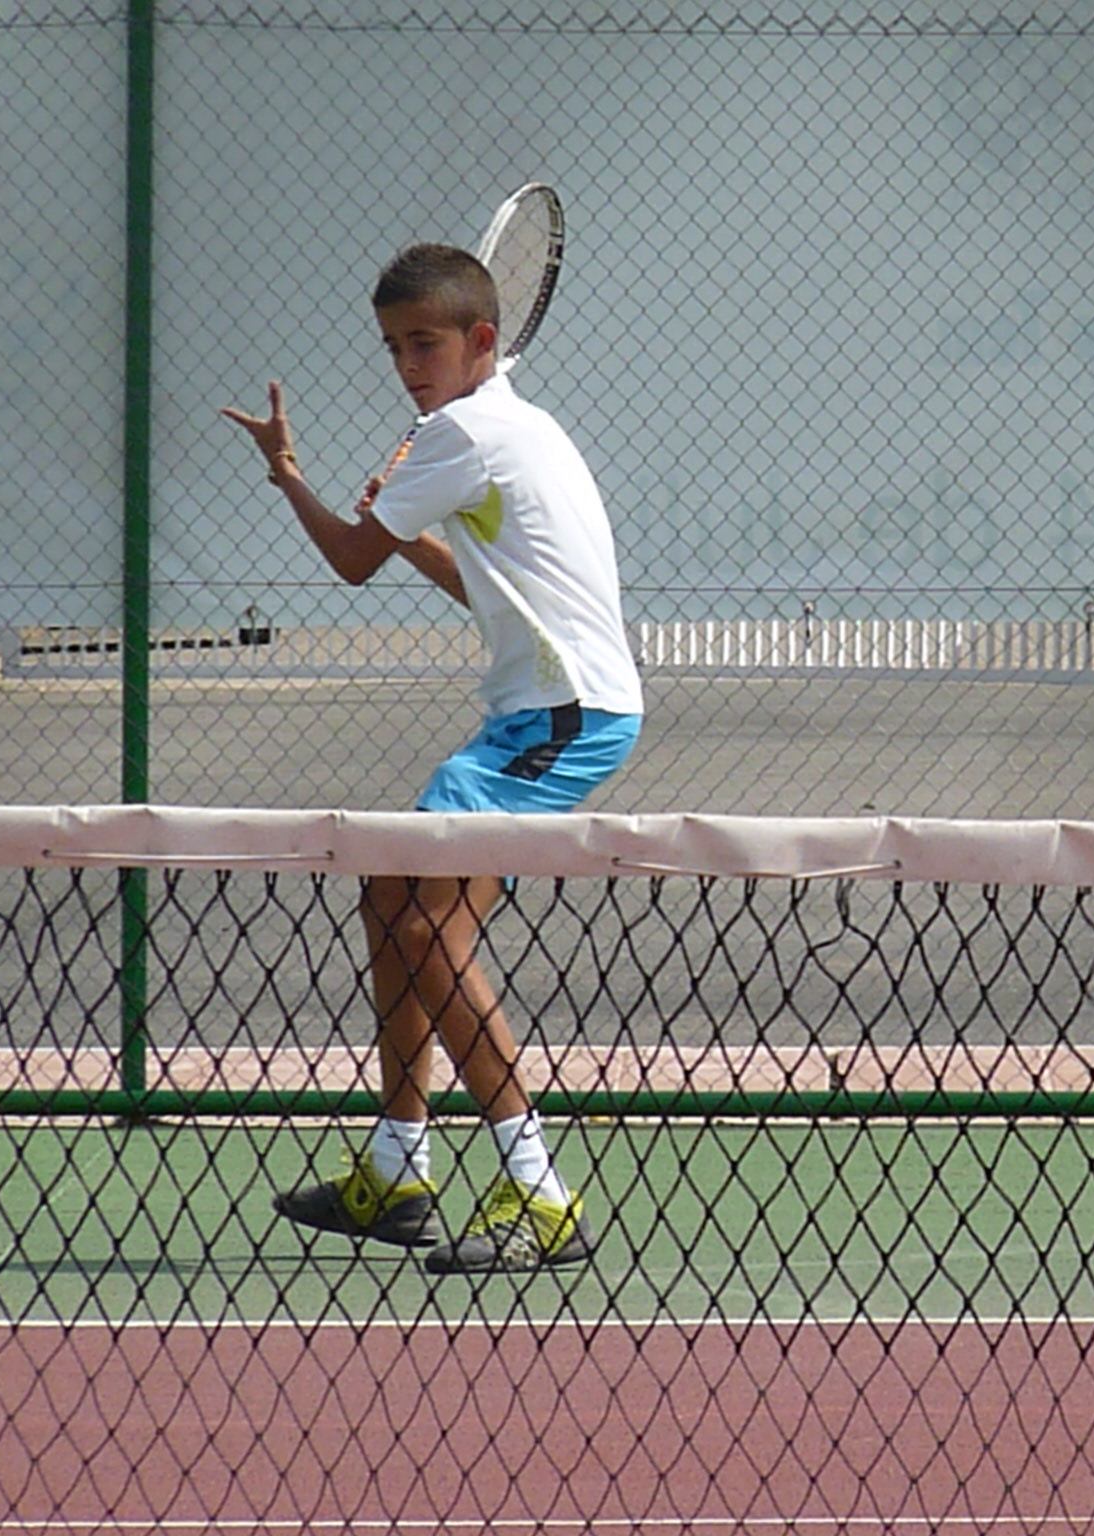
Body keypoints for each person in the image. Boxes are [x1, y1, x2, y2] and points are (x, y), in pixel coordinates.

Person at [222, 243, 643, 1275]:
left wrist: (288, 477)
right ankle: (398, 1170)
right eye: (393, 348)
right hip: (544, 715)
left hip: (563, 719)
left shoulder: (459, 433)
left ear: (481, 340)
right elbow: (491, 593)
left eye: (425, 344)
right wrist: (409, 530)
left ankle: (538, 1194)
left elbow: (349, 562)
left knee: (423, 923)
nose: (408, 365)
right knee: (390, 899)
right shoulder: (517, 429)